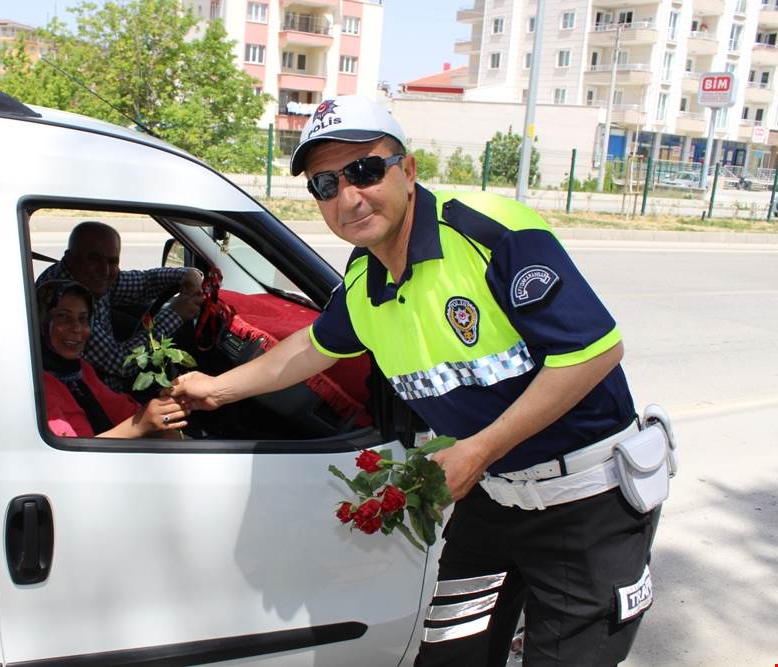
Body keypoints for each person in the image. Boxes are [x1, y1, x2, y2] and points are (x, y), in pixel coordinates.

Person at [172, 95, 658, 665]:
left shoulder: (488, 231)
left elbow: (592, 353)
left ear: (408, 170)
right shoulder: (364, 277)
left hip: (586, 503)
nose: (348, 197)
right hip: (497, 500)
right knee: (450, 655)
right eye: (325, 184)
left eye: (364, 170)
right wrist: (216, 388)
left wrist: (477, 450)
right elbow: (311, 347)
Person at [37, 221, 203, 392]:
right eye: (94, 259)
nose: (105, 270)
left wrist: (188, 274)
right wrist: (175, 315)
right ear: (70, 258)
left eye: (112, 261)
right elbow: (121, 363)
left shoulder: (89, 278)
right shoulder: (65, 300)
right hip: (94, 401)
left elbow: (144, 283)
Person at [38, 280, 189, 438]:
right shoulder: (37, 385)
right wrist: (139, 426)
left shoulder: (79, 369)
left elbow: (117, 407)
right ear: (41, 321)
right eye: (63, 317)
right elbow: (70, 453)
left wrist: (162, 411)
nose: (76, 328)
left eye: (83, 319)